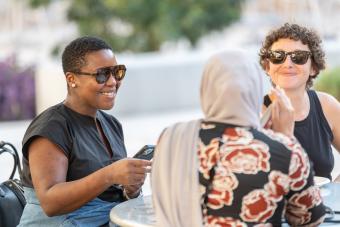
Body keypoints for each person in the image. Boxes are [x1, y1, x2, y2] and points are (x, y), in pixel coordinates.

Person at [151, 50, 326, 226]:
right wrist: (286, 139)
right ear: (256, 90)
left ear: (205, 88)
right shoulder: (285, 151)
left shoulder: (171, 138)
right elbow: (310, 219)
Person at [18, 36, 151, 226]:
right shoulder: (51, 127)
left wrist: (130, 190)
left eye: (117, 72)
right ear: (72, 79)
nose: (113, 81)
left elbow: (109, 192)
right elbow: (50, 202)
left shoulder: (110, 123)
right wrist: (110, 174)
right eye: (102, 74)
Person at [259, 23, 340, 181]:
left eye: (299, 57)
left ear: (313, 68)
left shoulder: (327, 106)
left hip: (323, 204)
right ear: (268, 66)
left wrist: (334, 191)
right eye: (278, 56)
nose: (287, 64)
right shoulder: (255, 112)